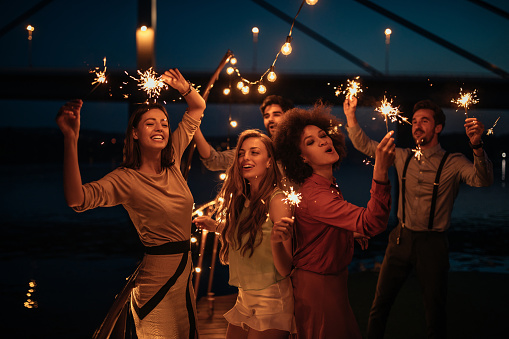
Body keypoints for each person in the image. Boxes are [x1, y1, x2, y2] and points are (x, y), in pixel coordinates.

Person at [56, 68, 206, 338]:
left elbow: (197, 106)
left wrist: (184, 88)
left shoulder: (173, 161)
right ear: (135, 133)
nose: (160, 127)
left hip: (183, 274)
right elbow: (76, 199)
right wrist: (71, 138)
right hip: (157, 280)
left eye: (163, 122)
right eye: (150, 123)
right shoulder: (126, 179)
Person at [343, 96, 494, 339]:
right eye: (414, 121)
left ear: (438, 128)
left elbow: (483, 180)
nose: (417, 125)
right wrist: (351, 117)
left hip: (433, 244)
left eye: (424, 120)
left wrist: (477, 146)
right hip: (400, 238)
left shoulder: (454, 162)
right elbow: (368, 147)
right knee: (379, 306)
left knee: (435, 313)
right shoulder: (403, 156)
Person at [273, 103, 396, 339]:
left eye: (322, 135)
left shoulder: (325, 186)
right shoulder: (317, 195)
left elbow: (318, 228)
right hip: (319, 289)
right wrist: (380, 170)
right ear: (302, 158)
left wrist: (347, 233)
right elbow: (372, 223)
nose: (322, 141)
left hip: (332, 284)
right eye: (310, 142)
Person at [193, 129, 297, 339]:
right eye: (241, 153)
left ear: (270, 162)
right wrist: (216, 227)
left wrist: (276, 242)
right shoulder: (243, 200)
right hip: (245, 297)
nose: (245, 158)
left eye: (254, 152)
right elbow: (252, 236)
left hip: (271, 300)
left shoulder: (278, 201)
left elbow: (286, 268)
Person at [194, 94, 294, 171]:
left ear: (289, 116)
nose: (270, 119)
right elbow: (214, 160)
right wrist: (194, 127)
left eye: (276, 115)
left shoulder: (300, 146)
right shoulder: (262, 147)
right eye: (266, 116)